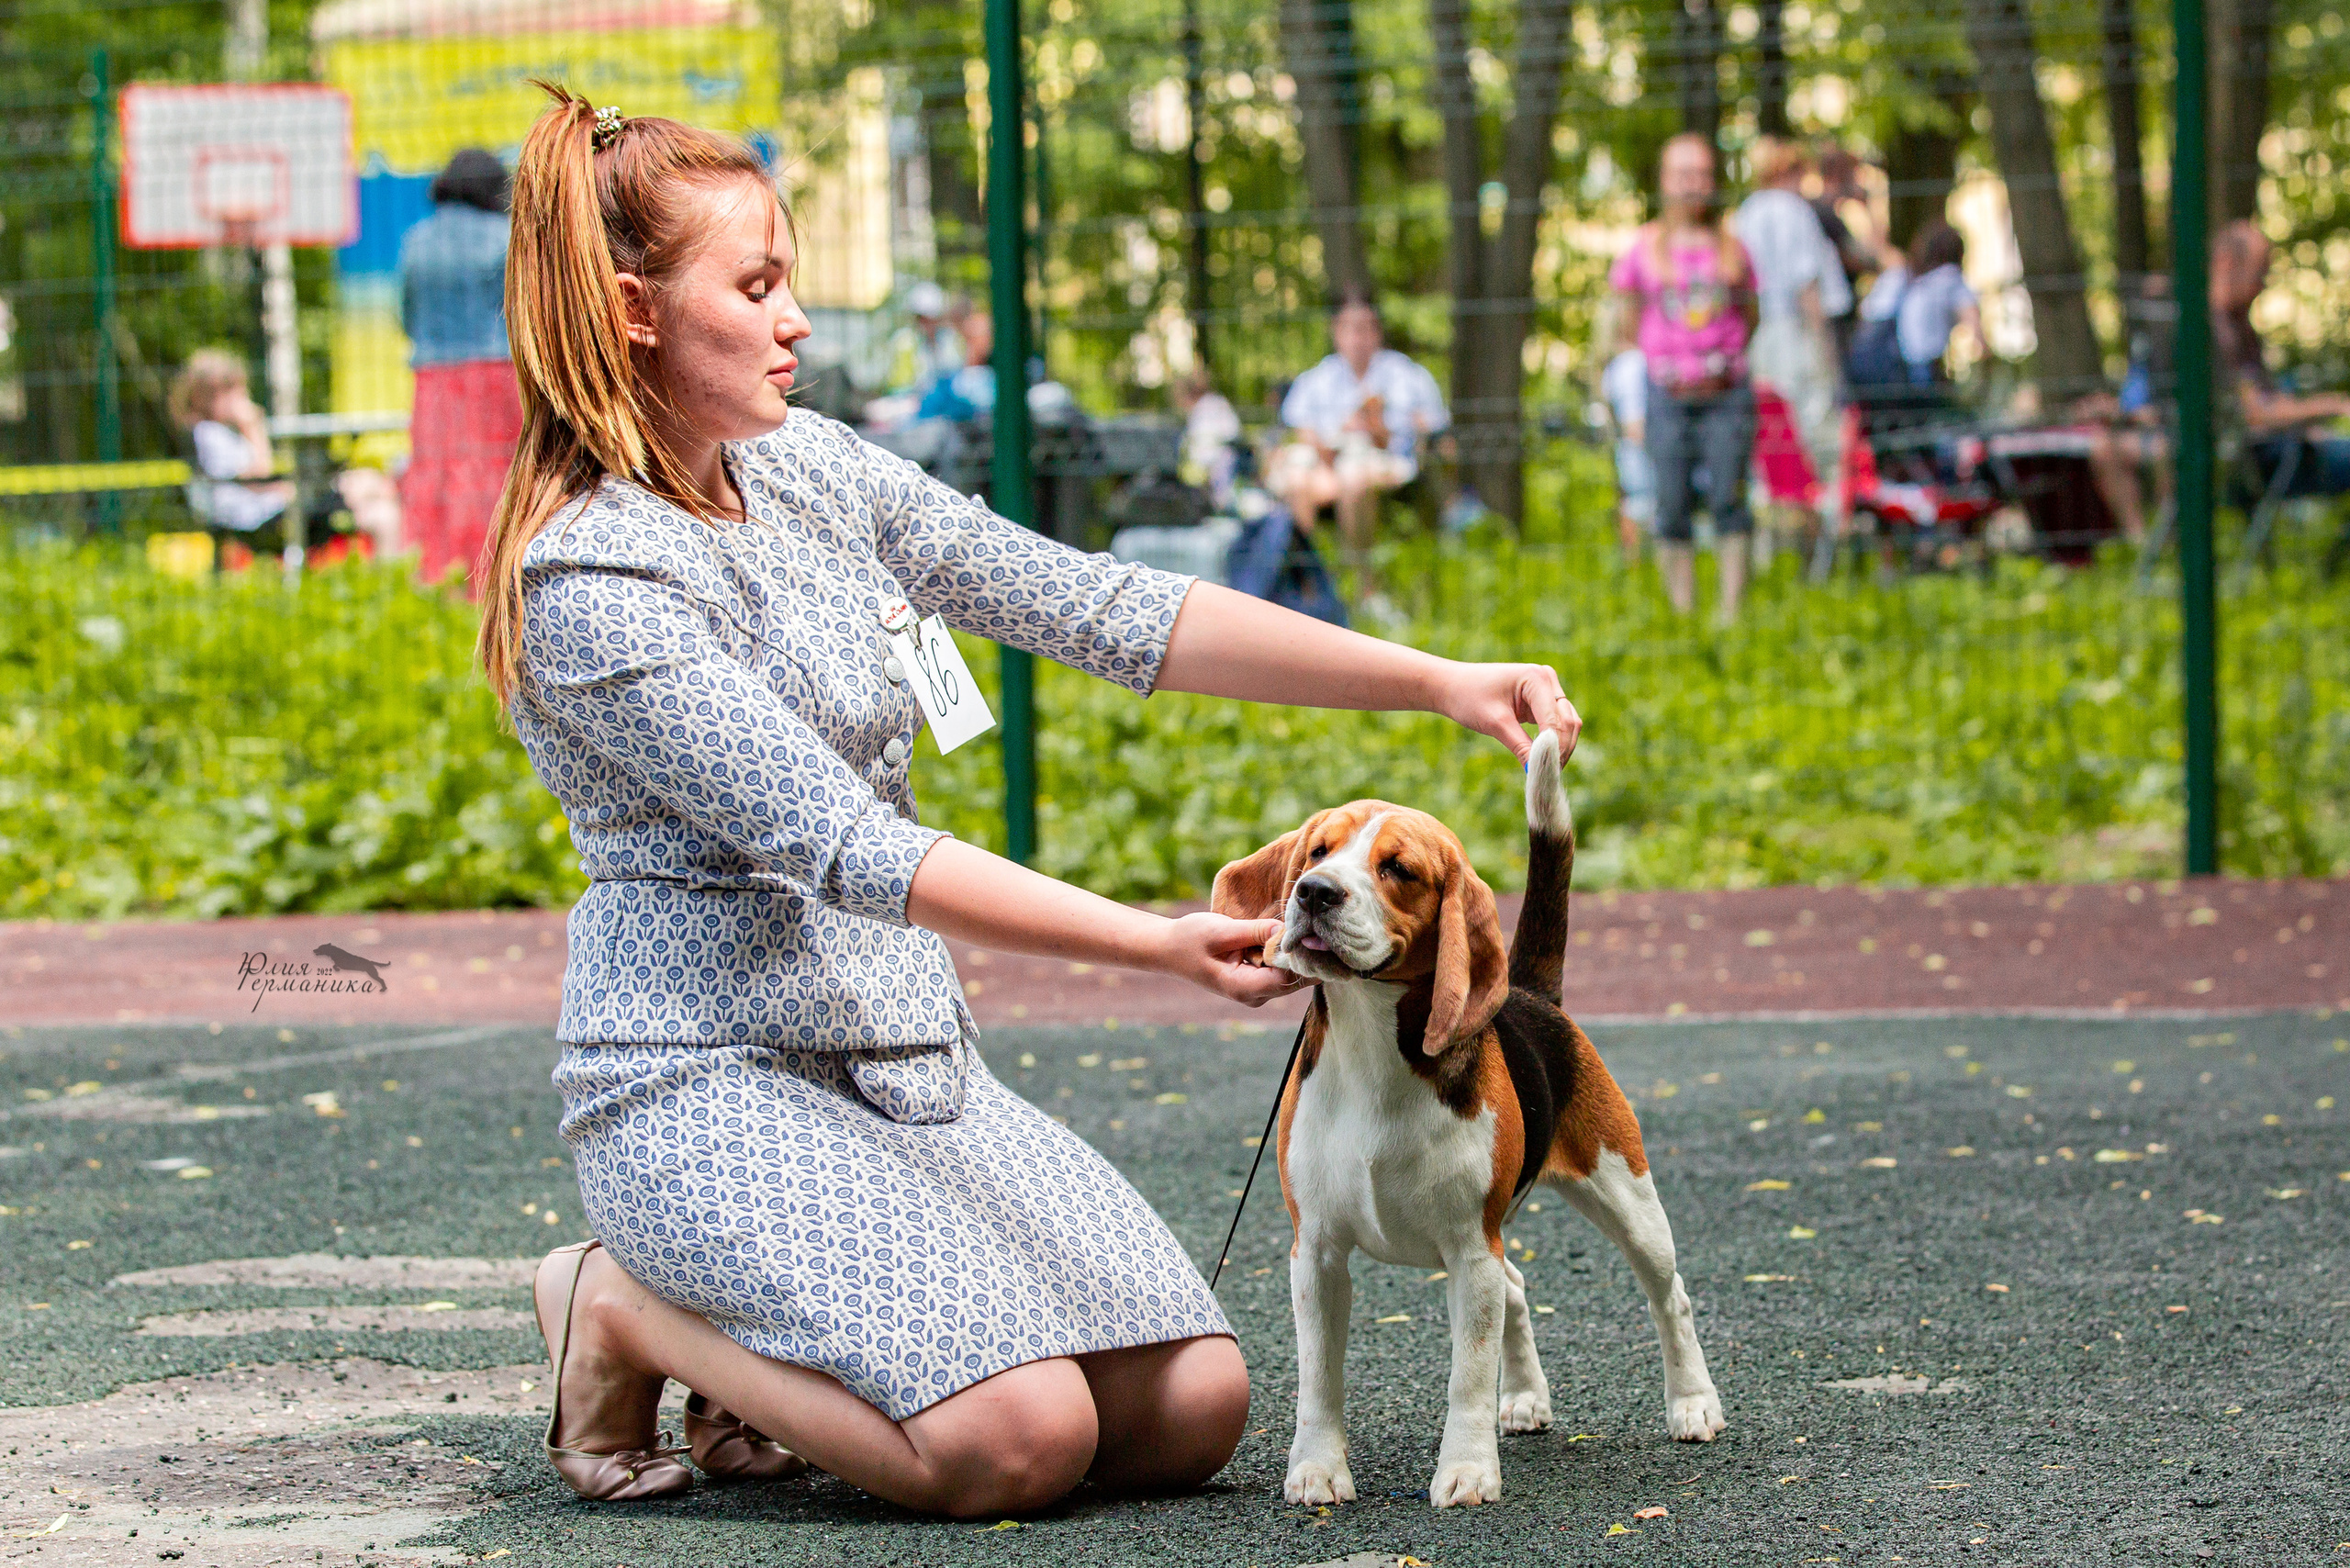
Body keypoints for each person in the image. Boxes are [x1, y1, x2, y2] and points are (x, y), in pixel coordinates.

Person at [474, 84, 1583, 1521]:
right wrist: (1154, 942)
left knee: (1194, 1407)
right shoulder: (592, 581)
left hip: (903, 1055)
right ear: (633, 310)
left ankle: (759, 1370)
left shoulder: (804, 466)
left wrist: (1434, 680)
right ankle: (622, 1308)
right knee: (1017, 1443)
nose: (797, 317)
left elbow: (1101, 606)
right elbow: (850, 848)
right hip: (705, 1082)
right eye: (756, 286)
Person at [1603, 132, 1759, 623]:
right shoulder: (1642, 249)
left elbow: (1751, 315)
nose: (1693, 185)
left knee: (1728, 497)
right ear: (1665, 182)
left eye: (1701, 174)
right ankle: (1683, 614)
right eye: (1682, 175)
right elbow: (1625, 322)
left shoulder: (1734, 248)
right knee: (1669, 501)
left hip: (1726, 393)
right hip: (1666, 394)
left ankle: (1731, 612)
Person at [1269, 287, 1449, 622]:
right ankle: (1312, 588)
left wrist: (1381, 427)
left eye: (1365, 328)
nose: (1357, 338)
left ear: (1377, 331)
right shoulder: (1316, 379)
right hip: (1326, 467)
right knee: (1296, 478)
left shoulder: (1407, 375)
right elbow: (1301, 432)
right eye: (1349, 328)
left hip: (1387, 467)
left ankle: (1365, 589)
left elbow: (1435, 430)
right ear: (1336, 333)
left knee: (1353, 478)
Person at [398, 147, 524, 599]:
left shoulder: (417, 240)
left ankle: (436, 574)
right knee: (495, 472)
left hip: (432, 377)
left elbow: (407, 318)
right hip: (496, 373)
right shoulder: (505, 237)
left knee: (436, 472)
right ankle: (492, 576)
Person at [1733, 136, 1852, 556]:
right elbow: (1808, 286)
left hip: (1757, 340)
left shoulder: (1744, 216)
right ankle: (1826, 546)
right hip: (1796, 336)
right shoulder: (1794, 212)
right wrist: (1826, 350)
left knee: (1768, 439)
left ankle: (1770, 550)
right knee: (1816, 435)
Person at [168, 349, 365, 566]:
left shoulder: (220, 432)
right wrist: (253, 428)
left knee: (364, 494)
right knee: (356, 490)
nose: (243, 398)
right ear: (208, 396)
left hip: (264, 509)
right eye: (234, 391)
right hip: (254, 519)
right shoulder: (209, 434)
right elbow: (259, 474)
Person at [2210, 218, 2350, 513]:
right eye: (2258, 272)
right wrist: (2332, 405)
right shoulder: (2206, 332)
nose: (2263, 284)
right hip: (2249, 463)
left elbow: (2267, 398)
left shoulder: (2239, 327)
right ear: (2225, 263)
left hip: (2270, 449)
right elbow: (2256, 414)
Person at [1599, 345, 1656, 564]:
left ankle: (1639, 569)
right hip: (1638, 447)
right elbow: (1632, 425)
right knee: (1636, 503)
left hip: (1638, 445)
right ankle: (1635, 568)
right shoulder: (1629, 364)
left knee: (1638, 504)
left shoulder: (1620, 364)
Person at [1174, 366, 1242, 509]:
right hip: (1215, 465)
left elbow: (1204, 446)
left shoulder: (1207, 409)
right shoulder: (1214, 404)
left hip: (1217, 467)